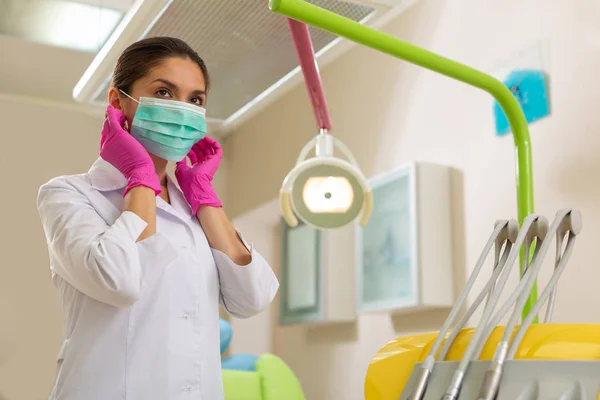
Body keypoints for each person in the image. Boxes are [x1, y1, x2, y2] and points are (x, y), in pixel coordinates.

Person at [37, 37, 279, 400]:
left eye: (195, 99)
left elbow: (253, 297)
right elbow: (121, 281)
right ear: (118, 102)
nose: (181, 109)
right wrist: (140, 176)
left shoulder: (194, 210)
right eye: (164, 92)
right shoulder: (70, 195)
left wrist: (204, 198)